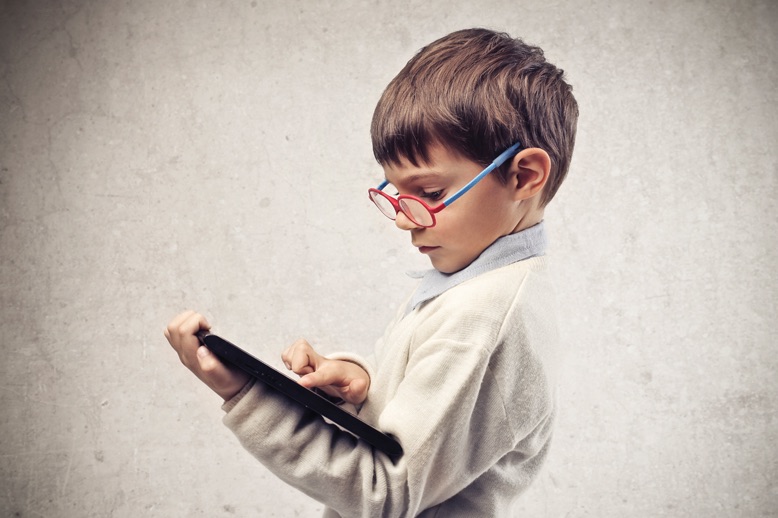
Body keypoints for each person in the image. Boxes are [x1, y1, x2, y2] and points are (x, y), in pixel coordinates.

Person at [164, 27, 578, 517]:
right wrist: (363, 386)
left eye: (429, 194)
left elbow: (389, 492)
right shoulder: (469, 285)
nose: (404, 217)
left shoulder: (484, 317)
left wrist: (246, 395)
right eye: (397, 194)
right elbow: (421, 433)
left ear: (524, 175)